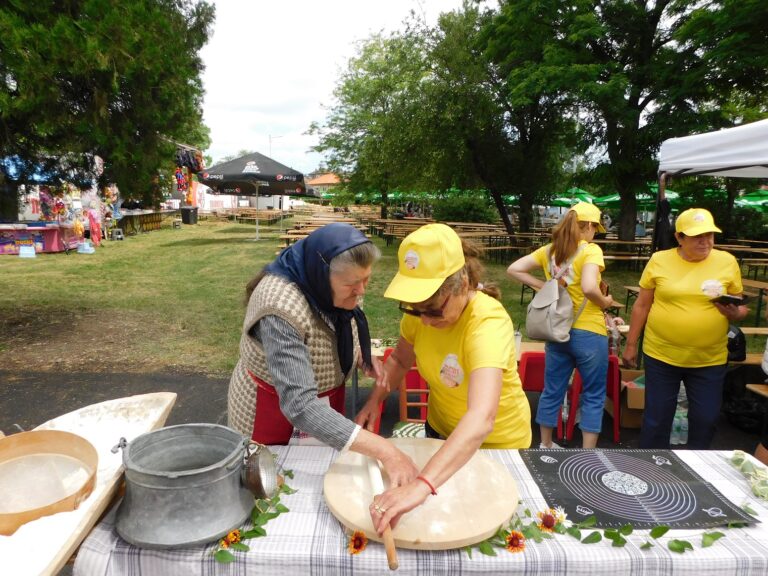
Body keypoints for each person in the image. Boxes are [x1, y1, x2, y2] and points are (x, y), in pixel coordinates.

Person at [356, 223, 531, 533]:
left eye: (433, 310)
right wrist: (374, 402)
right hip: (441, 432)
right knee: (440, 520)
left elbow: (481, 417)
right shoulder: (421, 316)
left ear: (462, 283)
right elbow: (399, 359)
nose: (423, 319)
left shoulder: (487, 323)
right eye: (414, 309)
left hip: (497, 445)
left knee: (485, 528)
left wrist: (421, 484)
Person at [227, 223, 418, 485]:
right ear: (321, 274)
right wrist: (385, 450)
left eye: (366, 279)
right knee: (269, 486)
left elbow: (340, 326)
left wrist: (359, 353)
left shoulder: (339, 283)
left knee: (322, 481)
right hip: (269, 409)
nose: (362, 290)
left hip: (323, 404)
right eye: (353, 284)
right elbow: (300, 405)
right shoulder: (278, 308)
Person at [622, 208, 748, 449]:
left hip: (708, 359)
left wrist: (736, 312)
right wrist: (630, 345)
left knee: (706, 419)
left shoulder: (727, 261)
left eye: (710, 234)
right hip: (661, 355)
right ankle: (651, 470)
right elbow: (641, 305)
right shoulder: (660, 260)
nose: (705, 241)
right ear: (679, 237)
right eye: (697, 236)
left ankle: (696, 471)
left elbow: (740, 307)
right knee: (657, 420)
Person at [507, 202, 616, 449]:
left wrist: (545, 287)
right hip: (589, 331)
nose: (594, 234)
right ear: (588, 226)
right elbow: (589, 287)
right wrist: (605, 301)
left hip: (557, 330)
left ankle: (546, 445)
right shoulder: (590, 251)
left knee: (552, 389)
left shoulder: (549, 251)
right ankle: (587, 453)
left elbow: (514, 269)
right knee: (594, 394)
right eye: (594, 229)